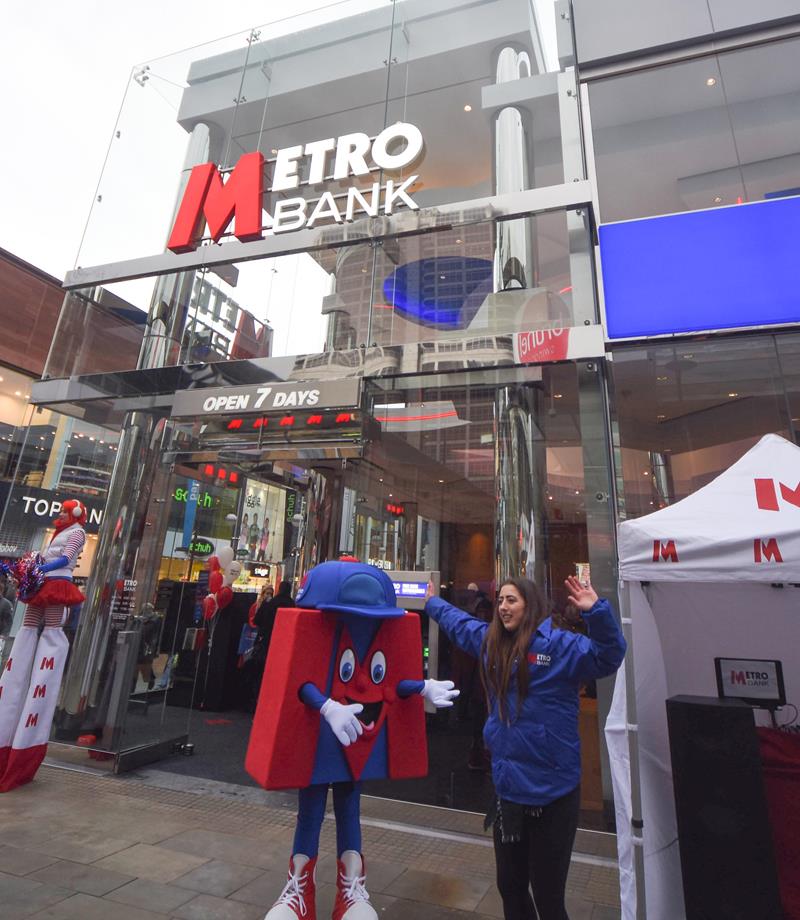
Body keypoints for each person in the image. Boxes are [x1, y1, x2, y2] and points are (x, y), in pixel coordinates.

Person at [424, 574, 626, 920]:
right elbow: (460, 625)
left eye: (511, 600)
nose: (503, 607)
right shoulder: (491, 642)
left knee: (548, 897)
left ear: (529, 605)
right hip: (509, 793)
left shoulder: (559, 647)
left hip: (553, 794)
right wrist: (431, 602)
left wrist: (597, 612)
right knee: (510, 888)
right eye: (500, 600)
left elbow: (608, 656)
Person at [0, 499, 87, 791]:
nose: (59, 514)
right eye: (60, 510)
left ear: (74, 514)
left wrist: (41, 565)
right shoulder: (59, 531)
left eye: (64, 511)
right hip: (42, 583)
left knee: (50, 629)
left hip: (56, 582)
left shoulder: (76, 532)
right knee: (28, 627)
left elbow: (68, 558)